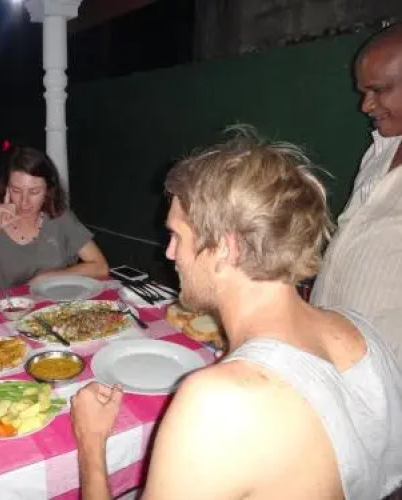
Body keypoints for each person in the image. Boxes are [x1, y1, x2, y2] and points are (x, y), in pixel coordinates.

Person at [71, 129, 402, 500]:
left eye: (177, 236)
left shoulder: (217, 402)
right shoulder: (359, 330)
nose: (169, 254)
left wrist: (91, 442)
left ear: (226, 249)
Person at [310, 23, 402, 365]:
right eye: (364, 91)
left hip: (384, 371)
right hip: (328, 350)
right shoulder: (380, 150)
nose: (366, 105)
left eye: (378, 90)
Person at [0, 146, 108, 300]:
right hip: (6, 311)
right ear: (6, 189)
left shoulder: (60, 218)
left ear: (48, 190)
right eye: (16, 191)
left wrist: (50, 277)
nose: (24, 202)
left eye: (34, 192)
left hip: (54, 310)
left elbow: (100, 267)